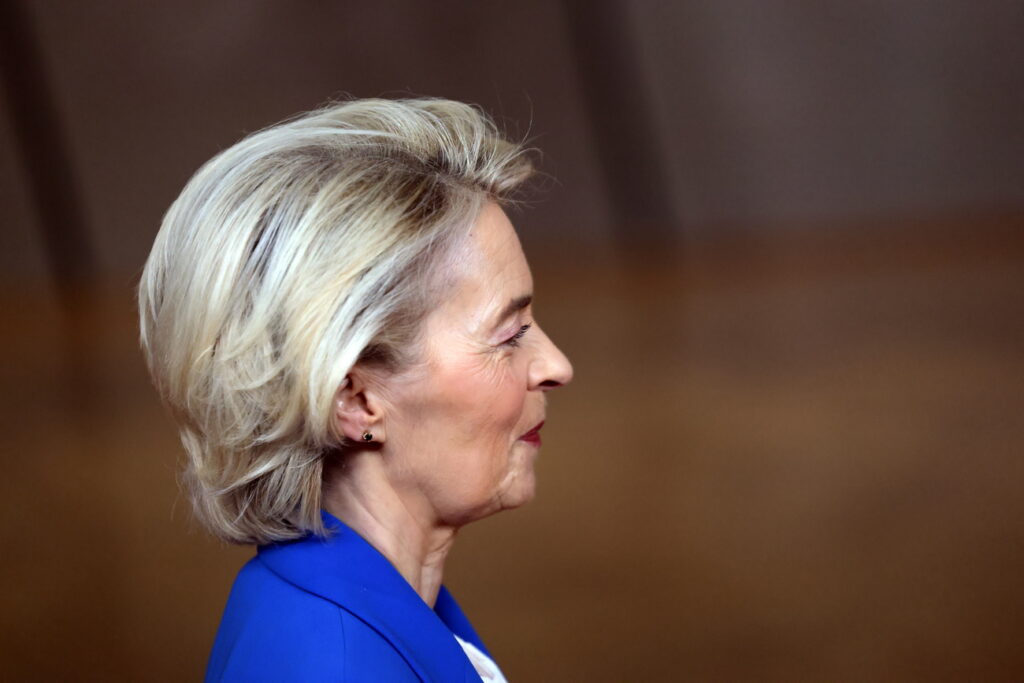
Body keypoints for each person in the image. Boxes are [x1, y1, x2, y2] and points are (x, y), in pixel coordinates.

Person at [137, 98, 573, 682]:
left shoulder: (361, 601)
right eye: (509, 335)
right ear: (356, 400)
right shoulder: (337, 665)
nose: (556, 365)